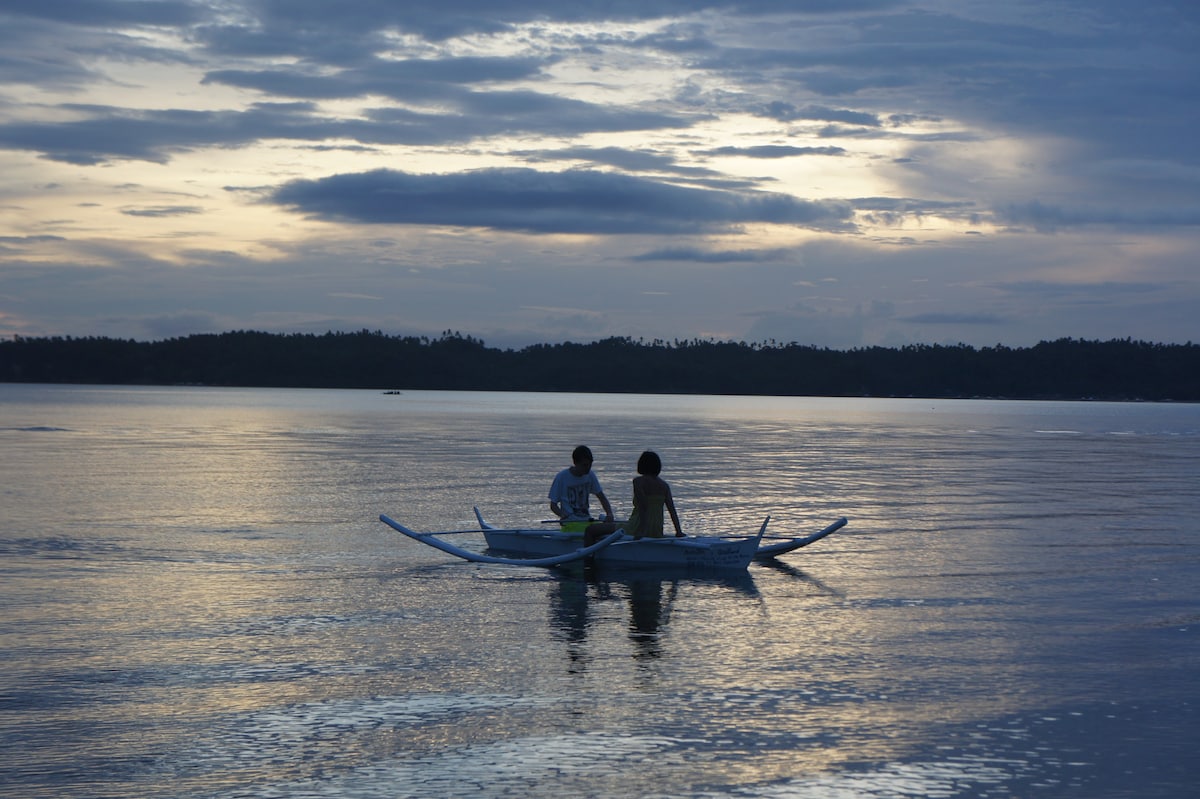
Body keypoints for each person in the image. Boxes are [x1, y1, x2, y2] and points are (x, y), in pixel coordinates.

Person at [549, 445, 616, 535]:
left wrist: (609, 514)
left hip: (586, 521)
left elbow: (601, 497)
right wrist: (562, 515)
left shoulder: (590, 475)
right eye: (585, 465)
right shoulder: (562, 477)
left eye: (590, 464)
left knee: (611, 528)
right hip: (571, 523)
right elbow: (553, 505)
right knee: (593, 532)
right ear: (576, 463)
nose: (588, 468)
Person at [626, 450, 684, 539]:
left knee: (598, 528)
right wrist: (678, 531)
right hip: (656, 529)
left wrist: (642, 531)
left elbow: (643, 506)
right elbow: (672, 510)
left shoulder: (638, 482)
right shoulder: (664, 486)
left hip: (637, 526)